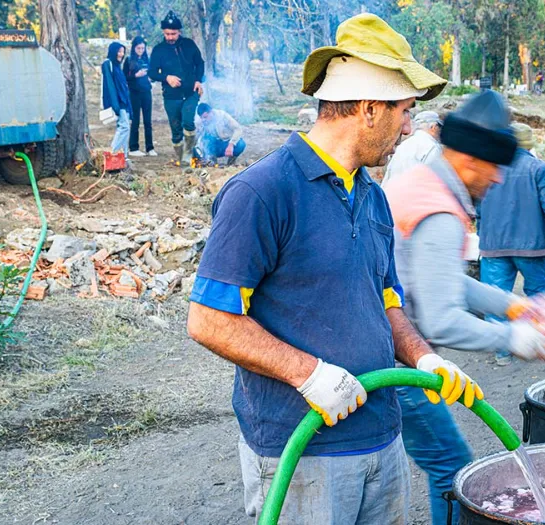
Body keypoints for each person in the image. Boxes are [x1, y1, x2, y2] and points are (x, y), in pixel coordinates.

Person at [186, 14, 470, 525]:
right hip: (304, 454)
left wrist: (424, 359)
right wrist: (308, 373)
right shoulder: (262, 193)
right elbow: (209, 321)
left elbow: (384, 299)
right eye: (404, 112)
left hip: (383, 441)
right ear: (367, 109)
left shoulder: (373, 197)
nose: (409, 128)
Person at [383, 92, 545, 525]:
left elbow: (440, 282)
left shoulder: (422, 185)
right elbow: (439, 318)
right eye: (494, 169)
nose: (497, 180)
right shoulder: (438, 211)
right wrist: (517, 338)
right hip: (396, 357)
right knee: (452, 469)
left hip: (388, 348)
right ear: (471, 161)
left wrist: (514, 306)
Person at [478, 123, 545, 366]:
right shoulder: (539, 168)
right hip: (530, 246)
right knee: (538, 294)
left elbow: (478, 206)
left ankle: (501, 350)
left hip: (494, 244)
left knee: (494, 296)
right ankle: (542, 341)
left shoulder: (488, 168)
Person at [149, 11, 205, 164]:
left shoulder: (189, 44)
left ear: (179, 32)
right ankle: (182, 158)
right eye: (167, 34)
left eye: (173, 34)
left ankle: (188, 156)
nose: (170, 37)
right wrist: (166, 77)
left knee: (188, 121)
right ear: (163, 32)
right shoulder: (158, 50)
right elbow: (151, 72)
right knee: (176, 131)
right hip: (171, 96)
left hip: (190, 92)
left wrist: (199, 81)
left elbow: (200, 63)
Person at [383, 110, 442, 182]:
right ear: (434, 127)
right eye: (439, 127)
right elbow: (434, 180)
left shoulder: (404, 145)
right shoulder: (432, 147)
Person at [124, 36, 156, 157]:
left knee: (148, 121)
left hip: (146, 92)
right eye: (138, 48)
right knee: (135, 120)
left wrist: (150, 78)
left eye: (143, 48)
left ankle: (150, 147)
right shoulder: (128, 61)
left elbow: (152, 74)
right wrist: (136, 76)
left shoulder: (146, 60)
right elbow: (125, 78)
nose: (141, 50)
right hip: (134, 93)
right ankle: (133, 147)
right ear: (134, 48)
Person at [101, 42, 132, 156]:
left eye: (123, 52)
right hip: (118, 101)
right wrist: (114, 104)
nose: (121, 54)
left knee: (125, 128)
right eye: (119, 51)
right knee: (124, 127)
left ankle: (124, 156)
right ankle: (113, 153)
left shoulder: (118, 66)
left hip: (125, 101)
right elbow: (110, 85)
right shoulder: (107, 64)